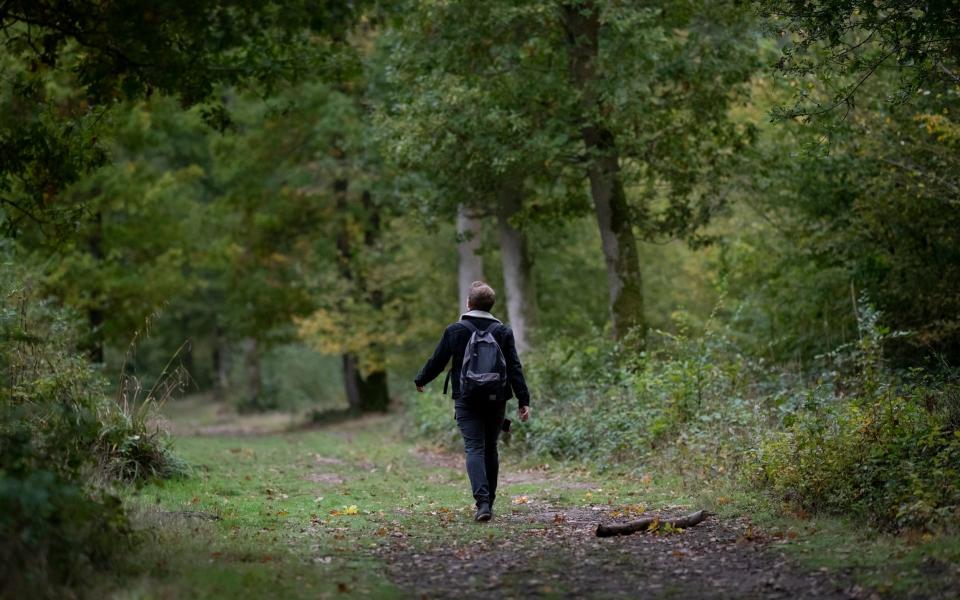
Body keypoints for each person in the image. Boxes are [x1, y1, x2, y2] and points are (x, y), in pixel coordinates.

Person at [414, 281, 531, 522]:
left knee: (474, 448)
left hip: (466, 398)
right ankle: (490, 501)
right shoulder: (503, 332)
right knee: (491, 448)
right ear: (491, 305)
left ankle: (483, 503)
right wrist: (523, 400)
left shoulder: (456, 330)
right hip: (497, 398)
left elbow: (438, 360)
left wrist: (422, 379)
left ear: (469, 303)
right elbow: (514, 368)